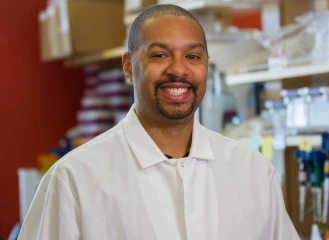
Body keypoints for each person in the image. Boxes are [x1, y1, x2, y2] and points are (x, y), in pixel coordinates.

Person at [18, 4, 299, 240]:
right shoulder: (74, 179)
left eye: (192, 56)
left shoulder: (254, 172)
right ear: (129, 66)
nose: (179, 69)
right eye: (160, 55)